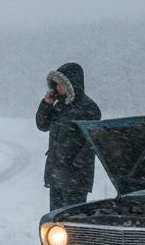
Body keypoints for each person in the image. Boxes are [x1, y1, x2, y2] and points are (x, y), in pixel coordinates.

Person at [36, 62, 101, 210]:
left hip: (75, 178)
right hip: (56, 174)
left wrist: (75, 164)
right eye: (56, 84)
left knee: (72, 218)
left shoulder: (89, 108)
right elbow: (42, 125)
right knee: (55, 219)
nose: (57, 88)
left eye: (61, 84)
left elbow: (92, 142)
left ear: (72, 84)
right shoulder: (60, 105)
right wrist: (46, 104)